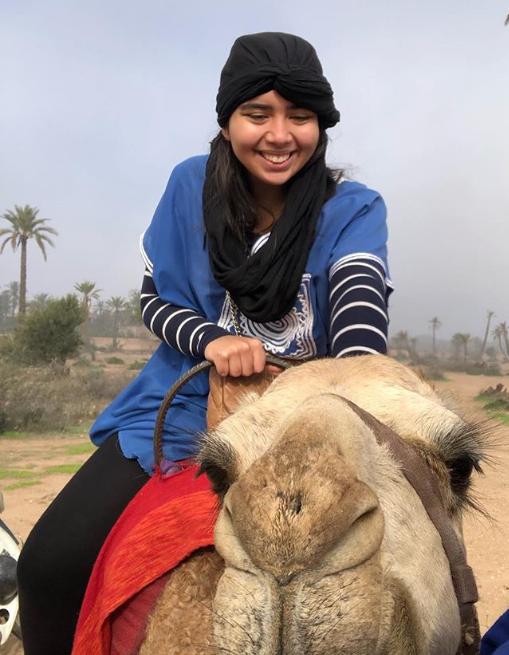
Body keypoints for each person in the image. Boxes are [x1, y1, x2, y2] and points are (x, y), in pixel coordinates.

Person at [16, 32, 392, 655]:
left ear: (321, 127)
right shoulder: (190, 185)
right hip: (182, 405)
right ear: (227, 121)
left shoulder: (353, 207)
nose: (279, 135)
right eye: (258, 114)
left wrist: (357, 375)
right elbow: (154, 298)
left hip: (305, 416)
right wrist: (213, 340)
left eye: (300, 117)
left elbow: (358, 297)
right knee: (48, 565)